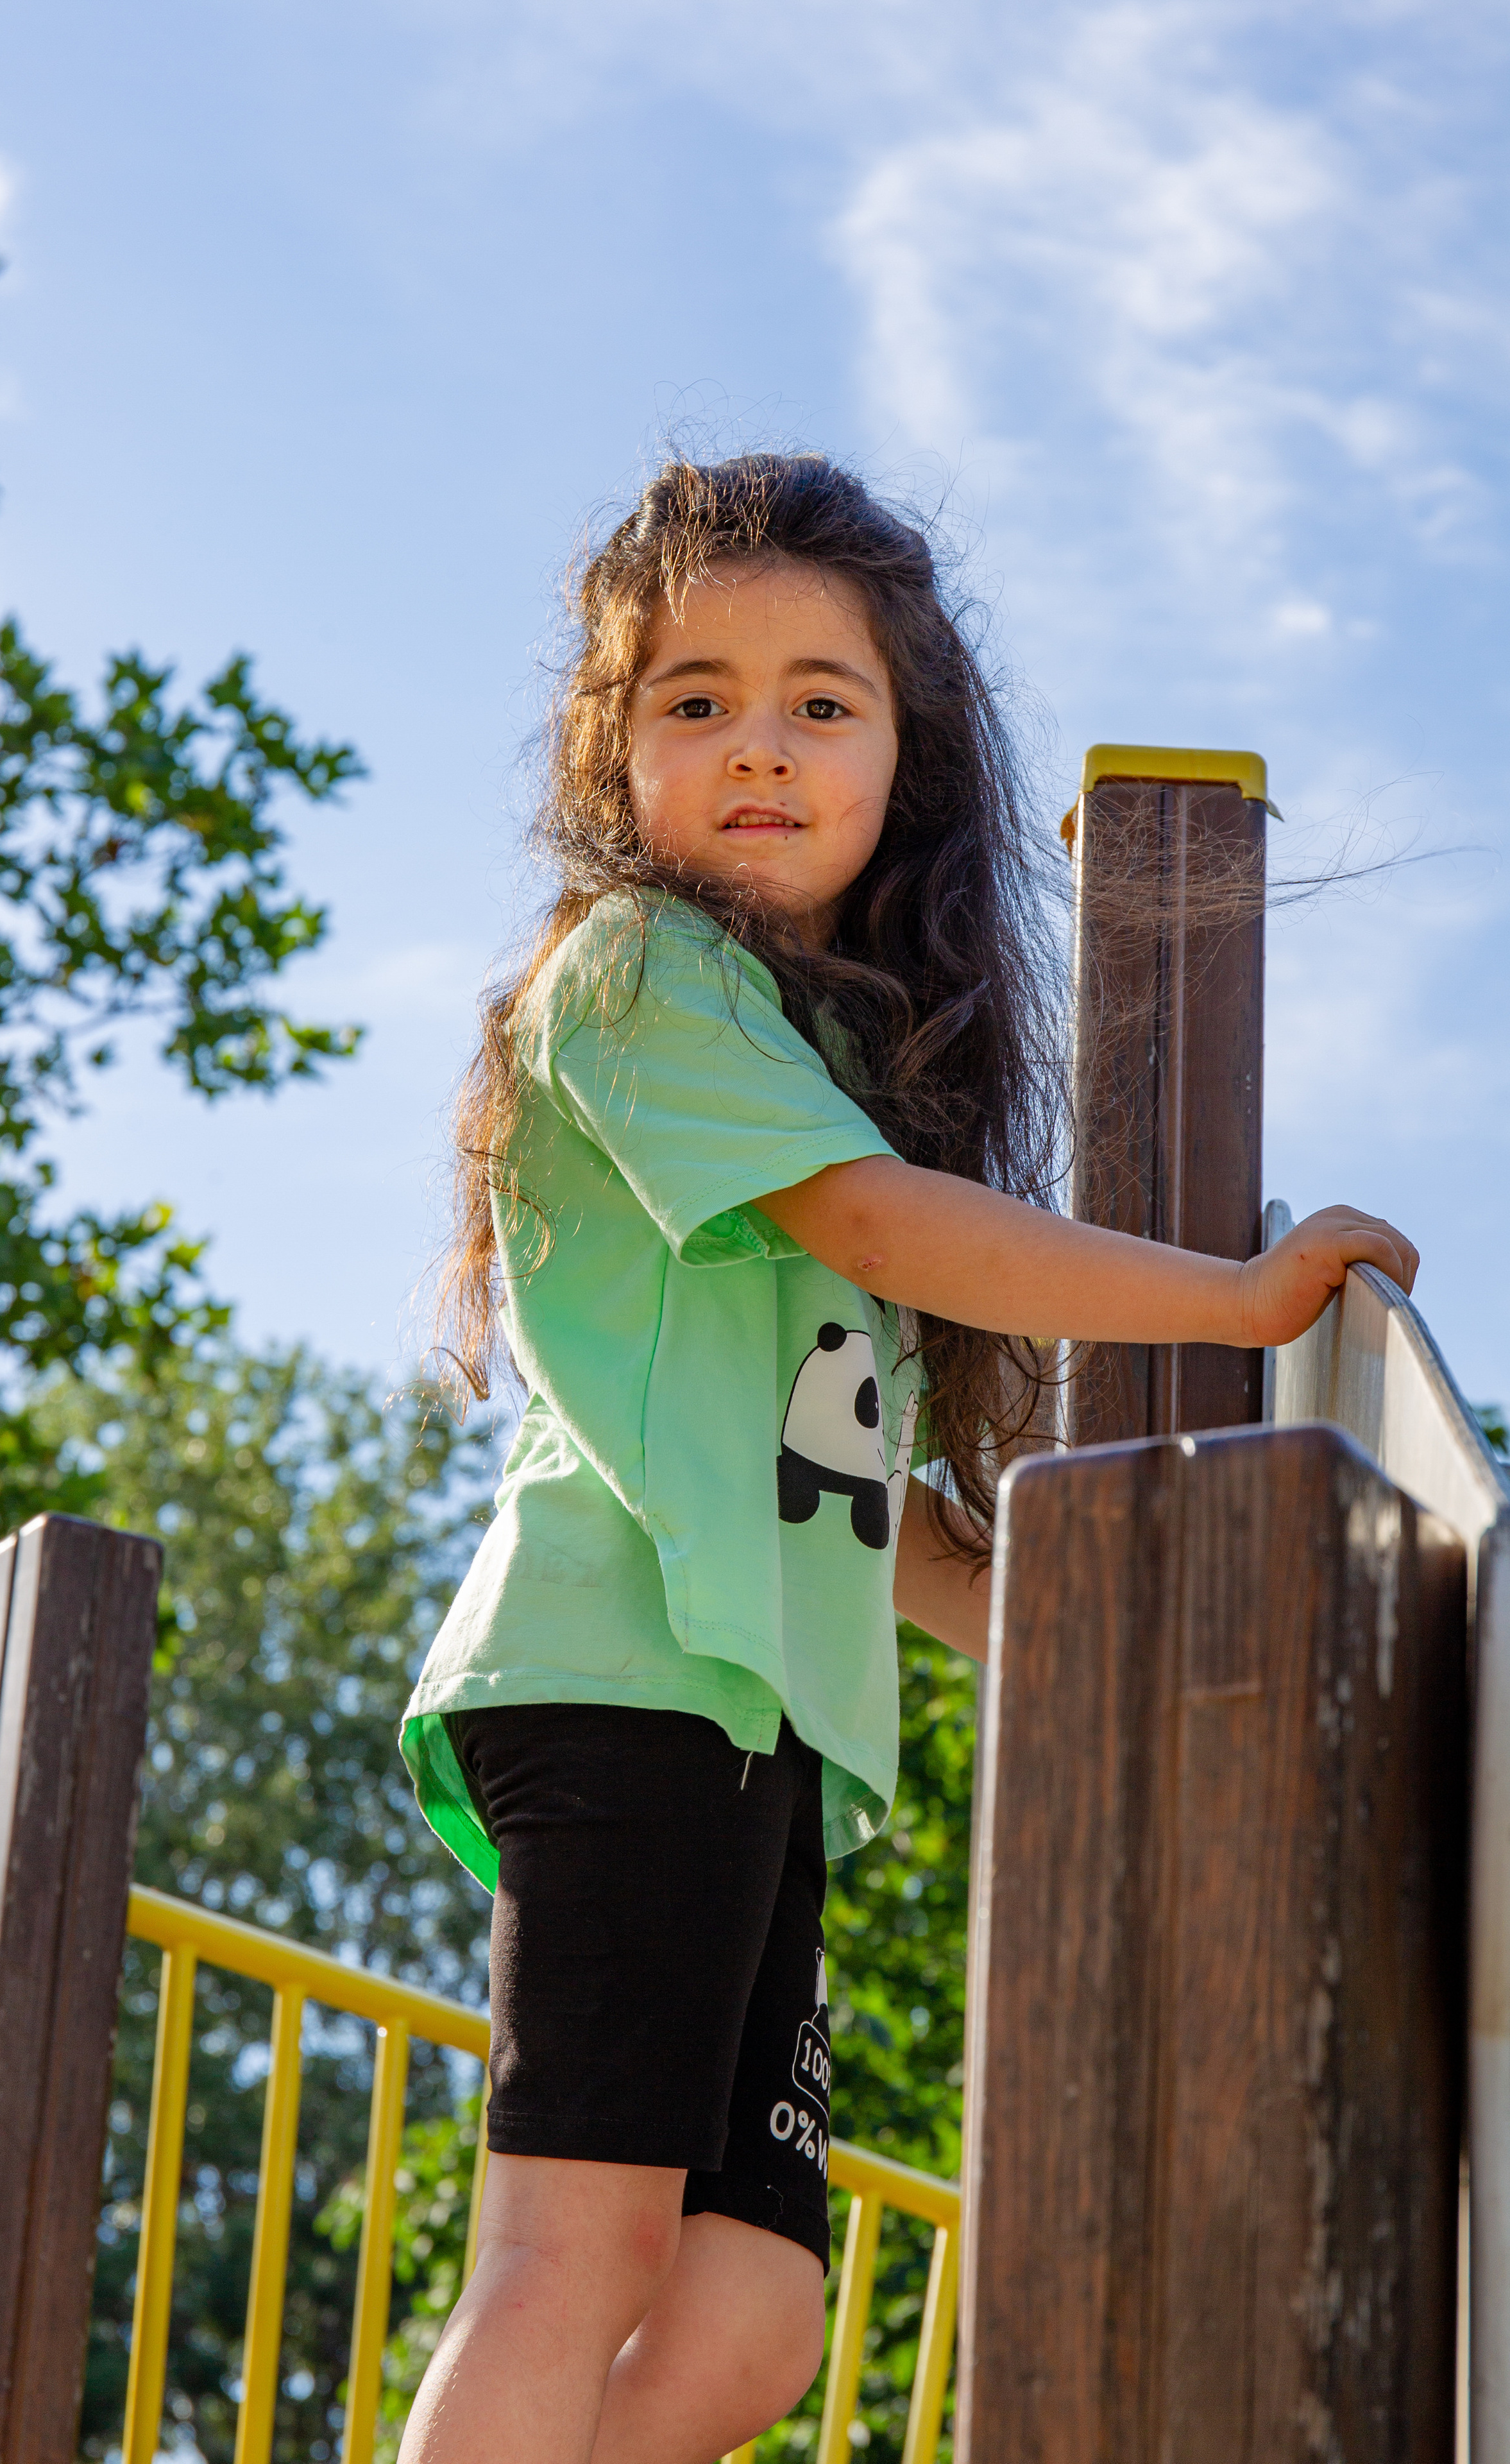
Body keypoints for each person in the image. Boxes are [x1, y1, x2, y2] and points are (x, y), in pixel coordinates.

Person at [396, 454, 1417, 2464]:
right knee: (574, 2257)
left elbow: (892, 1534)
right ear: (615, 755)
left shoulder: (825, 1058)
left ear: (903, 752)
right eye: (693, 699)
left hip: (751, 1715)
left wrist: (1154, 1674)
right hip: (621, 1678)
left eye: (818, 700)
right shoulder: (634, 970)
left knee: (759, 2316)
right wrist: (1235, 1298)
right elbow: (876, 1233)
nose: (756, 743)